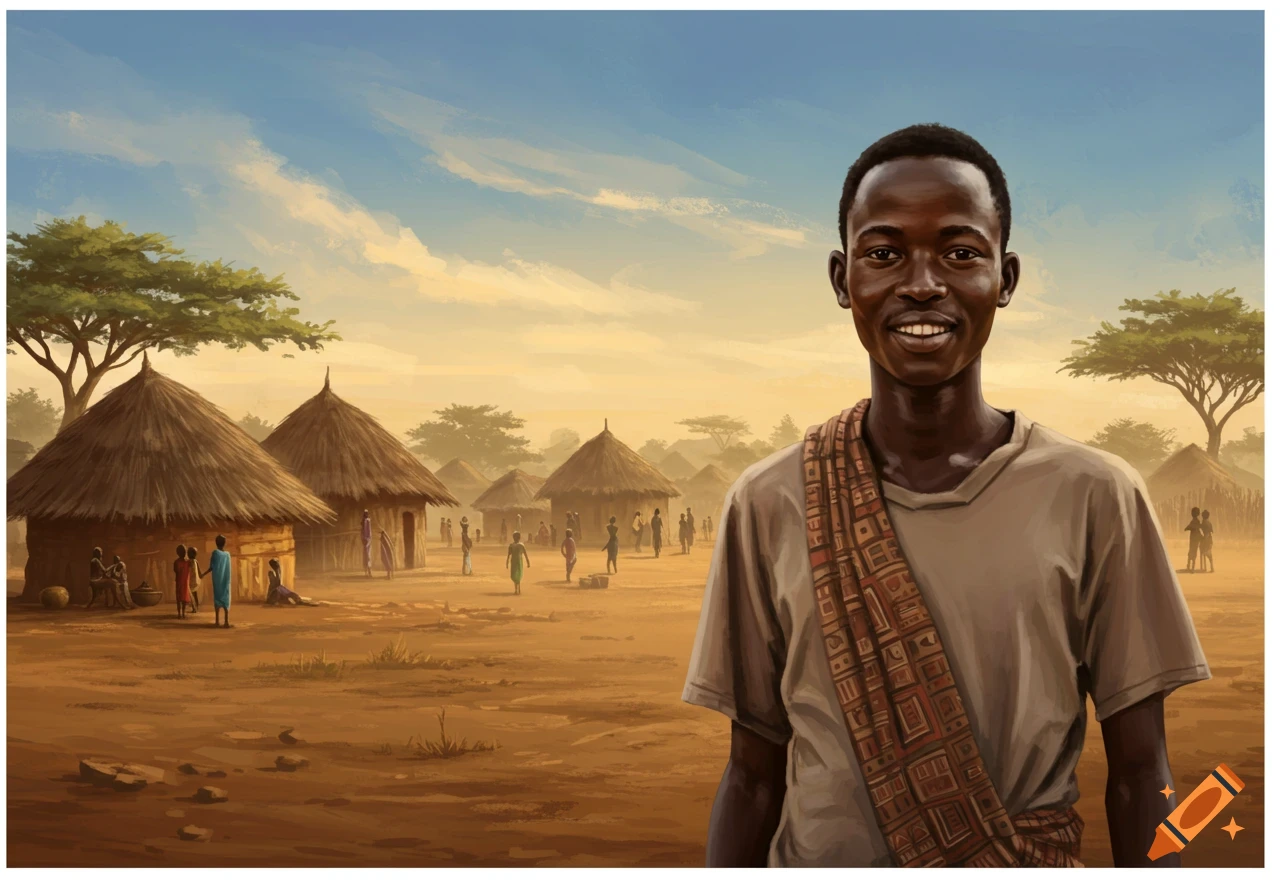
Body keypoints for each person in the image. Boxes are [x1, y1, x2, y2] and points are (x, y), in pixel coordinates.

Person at [683, 124, 1208, 868]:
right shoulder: (769, 501)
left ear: (1007, 278)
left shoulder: (1097, 496)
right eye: (884, 253)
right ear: (842, 280)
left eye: (961, 254)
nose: (922, 283)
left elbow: (1140, 777)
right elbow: (751, 776)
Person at [201, 535, 232, 628]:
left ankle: (217, 621)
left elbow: (212, 567)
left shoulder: (215, 553)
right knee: (226, 598)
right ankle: (226, 621)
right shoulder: (227, 554)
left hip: (217, 580)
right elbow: (228, 568)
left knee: (217, 598)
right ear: (224, 543)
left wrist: (203, 574)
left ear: (216, 543)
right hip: (226, 580)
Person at [173, 544, 191, 619]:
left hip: (182, 581)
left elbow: (175, 570)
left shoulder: (177, 562)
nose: (184, 553)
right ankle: (180, 613)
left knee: (182, 599)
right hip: (181, 581)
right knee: (181, 598)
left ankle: (181, 613)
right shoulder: (187, 562)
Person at [1184, 507, 1202, 573]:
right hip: (1195, 538)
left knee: (1191, 552)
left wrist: (1186, 528)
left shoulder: (1194, 521)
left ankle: (1190, 567)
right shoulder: (1197, 521)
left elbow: (1190, 527)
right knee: (1194, 552)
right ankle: (1191, 567)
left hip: (1193, 538)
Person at [186, 546, 202, 612]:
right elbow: (199, 570)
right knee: (194, 594)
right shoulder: (196, 561)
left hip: (191, 580)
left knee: (192, 595)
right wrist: (201, 575)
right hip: (196, 580)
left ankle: (194, 608)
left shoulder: (189, 561)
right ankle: (196, 607)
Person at [361, 510, 373, 579]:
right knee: (366, 557)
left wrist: (367, 541)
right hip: (366, 541)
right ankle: (367, 573)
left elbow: (368, 532)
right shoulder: (365, 521)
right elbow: (364, 532)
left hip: (367, 541)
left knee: (368, 557)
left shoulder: (367, 521)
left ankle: (368, 572)